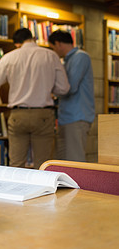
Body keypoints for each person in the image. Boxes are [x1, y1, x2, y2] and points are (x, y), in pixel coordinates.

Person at [0, 28, 70, 168]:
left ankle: (16, 190)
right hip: (43, 115)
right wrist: (48, 90)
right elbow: (64, 88)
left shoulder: (10, 57)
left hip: (18, 114)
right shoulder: (50, 56)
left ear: (17, 44)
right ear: (32, 38)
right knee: (43, 164)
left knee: (16, 163)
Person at [48, 30, 95, 162]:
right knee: (63, 161)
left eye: (53, 48)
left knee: (75, 160)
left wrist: (50, 91)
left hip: (77, 117)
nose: (54, 52)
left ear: (58, 44)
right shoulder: (67, 61)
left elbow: (70, 87)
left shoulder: (81, 57)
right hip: (66, 118)